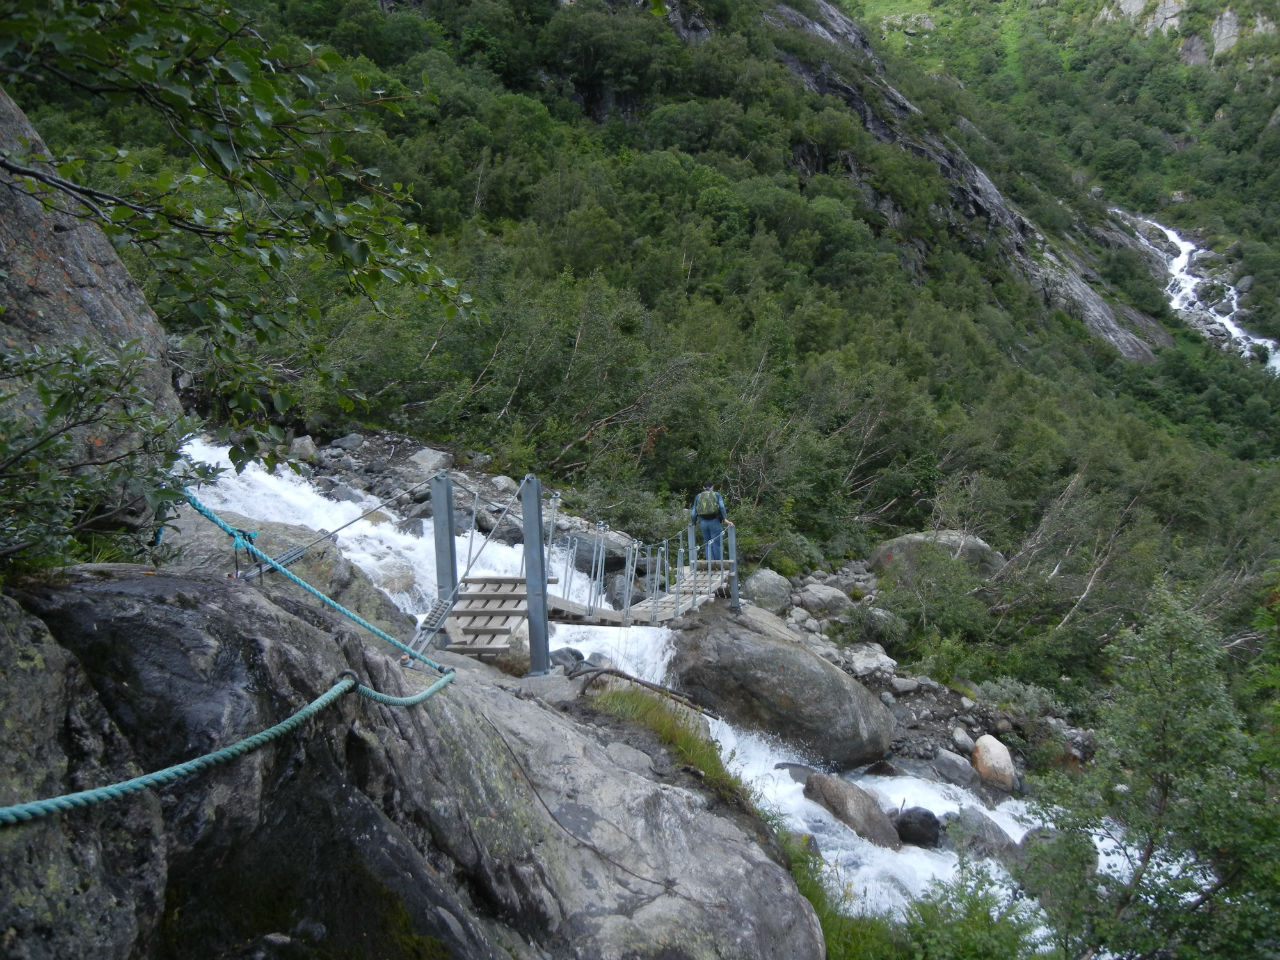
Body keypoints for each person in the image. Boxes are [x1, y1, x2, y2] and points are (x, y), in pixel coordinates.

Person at [690, 481, 733, 561]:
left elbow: (693, 513)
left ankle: (709, 566)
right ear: (712, 487)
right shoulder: (716, 494)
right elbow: (722, 507)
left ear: (703, 487)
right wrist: (725, 519)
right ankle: (718, 566)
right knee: (717, 544)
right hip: (714, 521)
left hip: (703, 522)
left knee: (707, 544)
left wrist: (693, 523)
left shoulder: (698, 496)